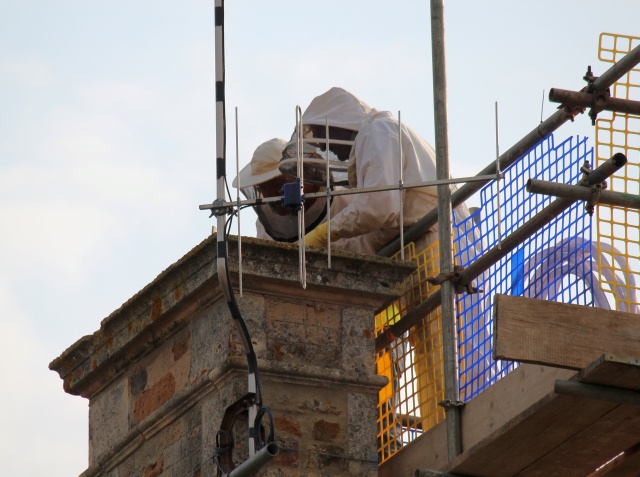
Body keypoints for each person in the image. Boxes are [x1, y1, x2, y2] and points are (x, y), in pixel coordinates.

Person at [233, 138, 352, 242]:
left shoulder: (350, 204)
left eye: (276, 183)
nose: (269, 194)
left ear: (305, 172)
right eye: (263, 187)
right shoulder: (264, 227)